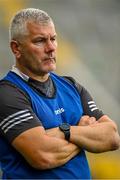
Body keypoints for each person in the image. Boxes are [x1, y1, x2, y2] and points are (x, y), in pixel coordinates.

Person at [0, 8, 120, 179]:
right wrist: (83, 133)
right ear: (16, 48)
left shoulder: (71, 86)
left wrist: (66, 131)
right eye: (40, 41)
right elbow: (42, 155)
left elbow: (112, 137)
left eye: (53, 39)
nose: (50, 48)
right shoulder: (7, 94)